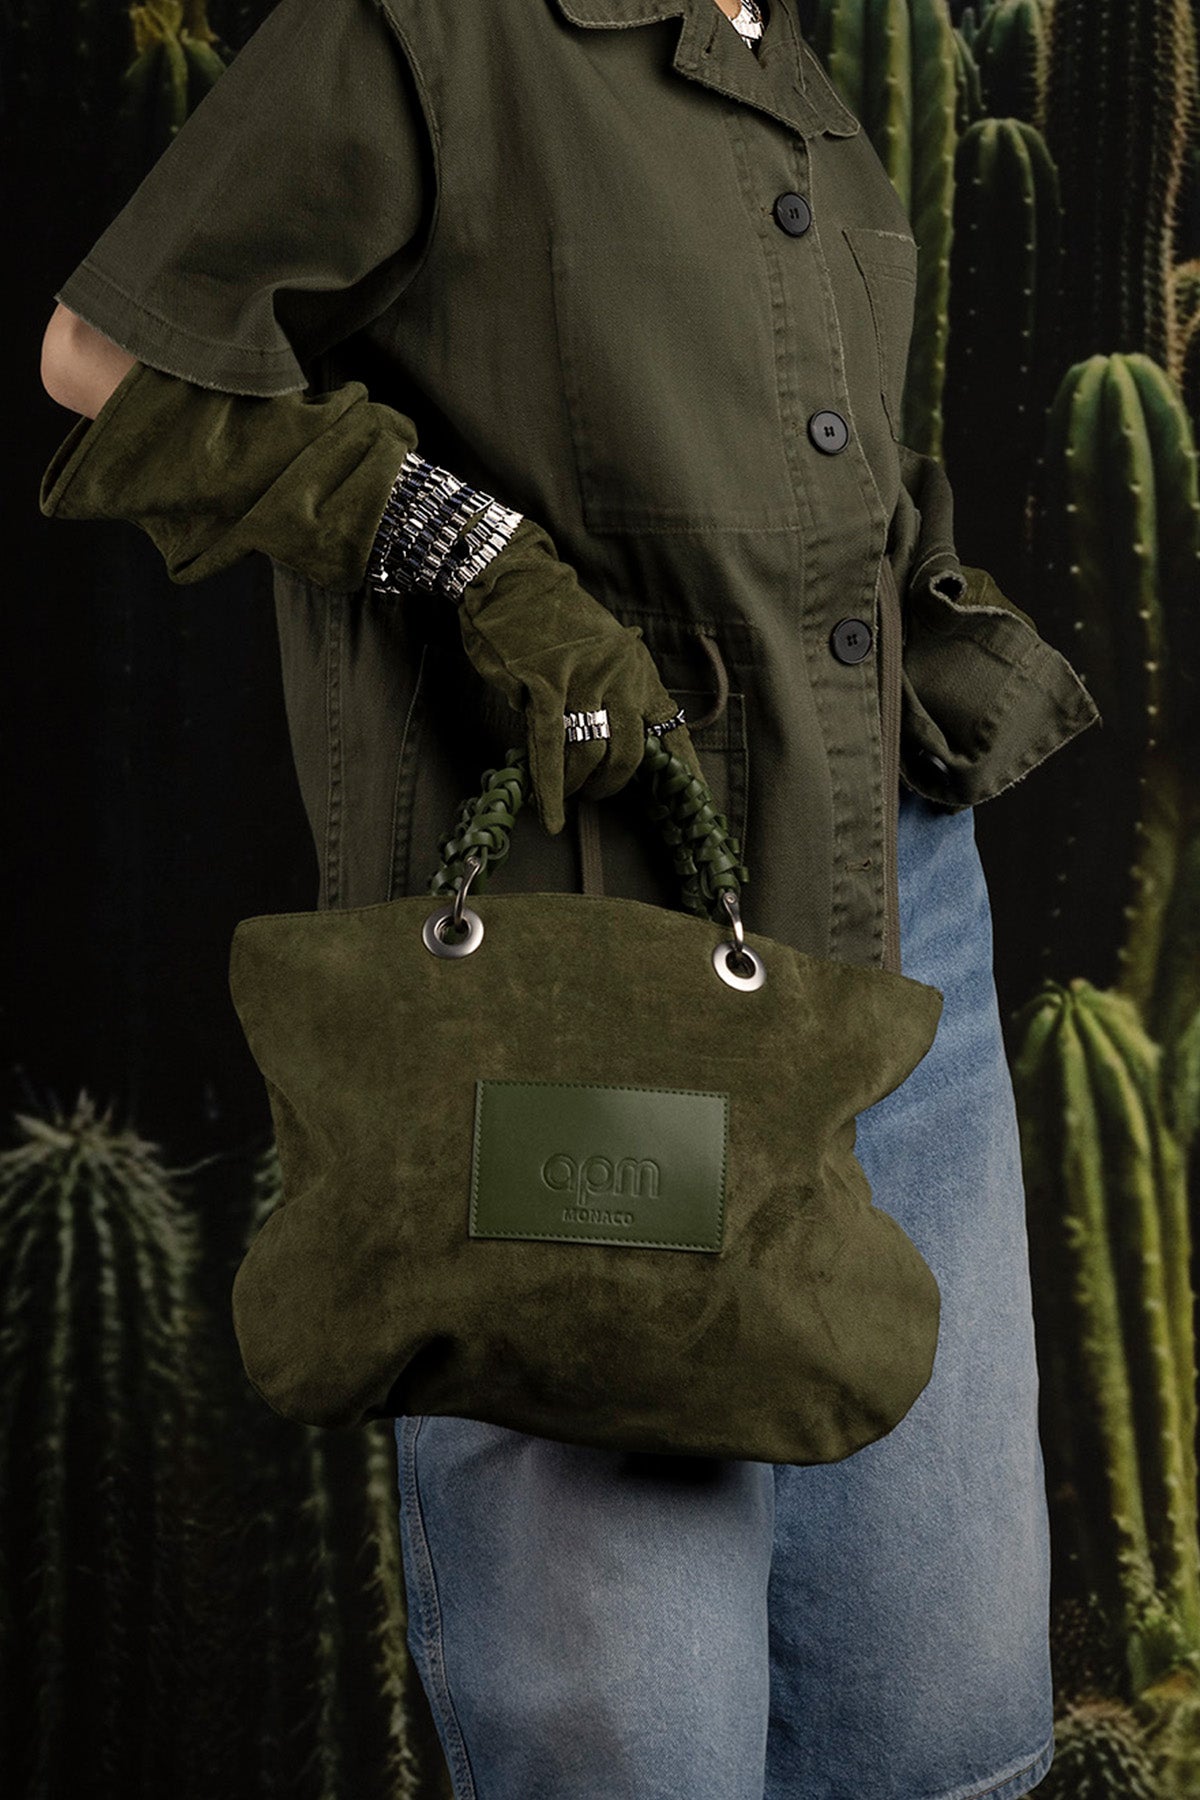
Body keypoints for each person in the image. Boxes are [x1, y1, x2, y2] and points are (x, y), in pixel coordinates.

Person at [39, 0, 1101, 1794]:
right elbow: (108, 354)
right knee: (636, 1741)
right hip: (590, 967)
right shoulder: (429, 28)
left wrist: (927, 601)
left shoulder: (793, 70)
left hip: (897, 952)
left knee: (940, 1733)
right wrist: (471, 558)